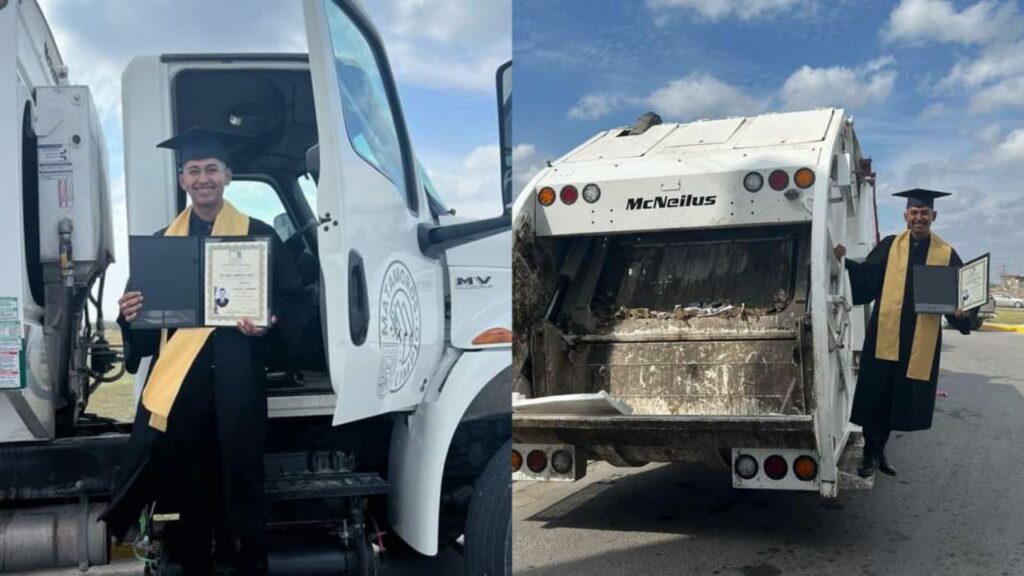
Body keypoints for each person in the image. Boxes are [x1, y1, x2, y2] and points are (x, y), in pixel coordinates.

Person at [98, 128, 304, 574]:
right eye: (193, 170)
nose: (202, 178)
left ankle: (248, 568)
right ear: (182, 180)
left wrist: (269, 322)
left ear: (227, 176)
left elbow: (292, 303)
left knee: (242, 485)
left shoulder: (259, 235)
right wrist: (130, 315)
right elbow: (144, 327)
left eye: (211, 169)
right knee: (189, 492)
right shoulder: (162, 245)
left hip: (238, 384)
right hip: (184, 394)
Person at [834, 188, 972, 479]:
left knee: (899, 397)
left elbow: (958, 296)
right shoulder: (890, 245)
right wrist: (843, 262)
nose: (919, 217)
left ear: (934, 216)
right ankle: (871, 453)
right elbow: (868, 279)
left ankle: (880, 450)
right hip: (886, 333)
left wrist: (963, 314)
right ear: (905, 215)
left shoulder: (945, 253)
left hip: (919, 339)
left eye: (924, 213)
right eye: (914, 212)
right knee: (877, 395)